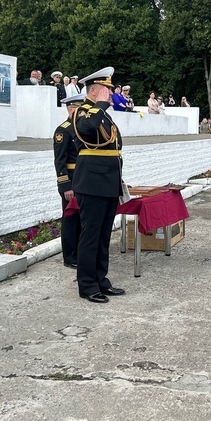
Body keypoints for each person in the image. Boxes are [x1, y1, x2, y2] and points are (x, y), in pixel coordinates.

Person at [71, 67, 126, 303]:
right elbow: (87, 129)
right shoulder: (83, 112)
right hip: (92, 183)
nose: (112, 93)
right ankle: (87, 285)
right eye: (108, 90)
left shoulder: (103, 114)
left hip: (108, 182)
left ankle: (101, 280)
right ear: (95, 90)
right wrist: (100, 105)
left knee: (103, 236)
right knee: (90, 236)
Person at [54, 92, 86, 270]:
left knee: (82, 218)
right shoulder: (63, 130)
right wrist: (65, 186)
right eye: (79, 109)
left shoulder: (81, 127)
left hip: (83, 179)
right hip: (71, 180)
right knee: (70, 219)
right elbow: (60, 161)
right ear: (71, 108)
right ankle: (70, 256)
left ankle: (80, 252)